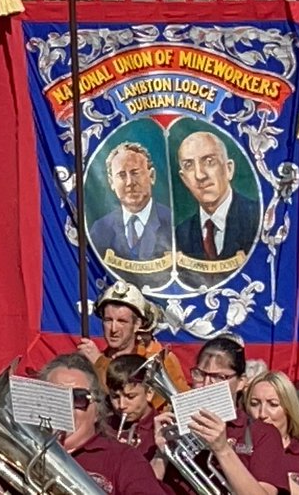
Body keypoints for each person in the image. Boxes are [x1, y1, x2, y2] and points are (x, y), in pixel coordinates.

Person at [0, 353, 168, 495]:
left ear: (97, 409)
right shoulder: (19, 460)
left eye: (78, 398)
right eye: (54, 397)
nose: (65, 408)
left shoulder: (124, 459)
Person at [152, 336, 287, 495]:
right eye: (200, 374)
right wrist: (161, 454)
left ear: (241, 382)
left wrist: (222, 450)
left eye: (219, 377)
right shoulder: (174, 429)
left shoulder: (262, 434)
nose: (207, 384)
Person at [78, 280, 188, 405]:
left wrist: (100, 363)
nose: (113, 329)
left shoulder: (161, 361)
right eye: (108, 320)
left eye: (122, 321)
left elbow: (177, 404)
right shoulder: (91, 360)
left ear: (136, 325)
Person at [173, 131, 260, 264]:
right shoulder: (180, 235)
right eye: (189, 165)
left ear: (229, 169)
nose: (199, 175)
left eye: (209, 161)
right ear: (184, 179)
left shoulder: (258, 218)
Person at [89, 142, 174, 262]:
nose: (130, 182)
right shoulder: (100, 230)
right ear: (111, 182)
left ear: (152, 176)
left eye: (135, 173)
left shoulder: (173, 224)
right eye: (121, 175)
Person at [106, 354, 158, 460]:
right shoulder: (104, 427)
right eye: (115, 397)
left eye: (130, 396)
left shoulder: (160, 430)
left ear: (149, 393)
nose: (121, 405)